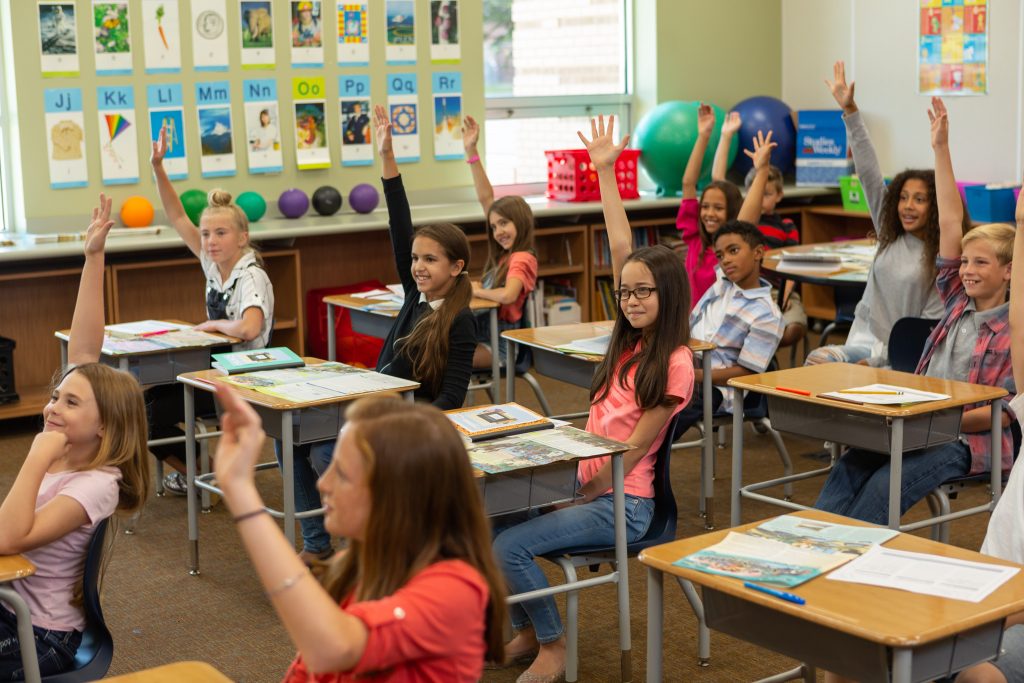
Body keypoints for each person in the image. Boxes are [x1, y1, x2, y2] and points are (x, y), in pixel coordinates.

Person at [492, 115, 695, 683]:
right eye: (625, 292)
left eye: (643, 293)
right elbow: (623, 248)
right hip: (583, 478)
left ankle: (554, 648)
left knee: (509, 546)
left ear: (668, 295)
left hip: (623, 499)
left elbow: (632, 450)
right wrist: (605, 171)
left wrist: (573, 492)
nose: (630, 300)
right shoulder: (626, 340)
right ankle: (531, 627)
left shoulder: (675, 361)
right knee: (491, 517)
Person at [813, 97, 1016, 527]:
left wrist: (935, 419)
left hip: (966, 440)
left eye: (982, 263)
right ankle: (812, 545)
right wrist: (940, 148)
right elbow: (949, 222)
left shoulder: (1013, 327)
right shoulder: (957, 301)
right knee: (852, 463)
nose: (968, 270)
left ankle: (846, 561)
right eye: (965, 262)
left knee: (888, 482)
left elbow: (1005, 412)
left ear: (1010, 271)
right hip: (920, 422)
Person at [212, 388, 506, 681]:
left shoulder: (454, 591)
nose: (322, 485)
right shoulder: (353, 564)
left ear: (394, 497)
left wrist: (242, 494)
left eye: (341, 474)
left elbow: (332, 649)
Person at [0, 195, 150, 678]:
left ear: (104, 424)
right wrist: (93, 258)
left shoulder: (96, 484)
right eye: (56, 396)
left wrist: (36, 457)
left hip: (39, 636)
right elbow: (86, 348)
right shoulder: (73, 454)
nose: (52, 407)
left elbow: (8, 538)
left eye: (70, 402)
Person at [805, 61, 970, 367]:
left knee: (837, 375)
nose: (908, 206)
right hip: (864, 340)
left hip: (904, 355)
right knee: (817, 362)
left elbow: (926, 329)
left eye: (919, 199)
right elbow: (868, 172)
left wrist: (880, 362)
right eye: (903, 197)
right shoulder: (889, 232)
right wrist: (851, 111)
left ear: (934, 207)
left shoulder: (943, 255)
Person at [151, 124, 278, 495]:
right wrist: (158, 167)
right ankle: (204, 473)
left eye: (220, 233)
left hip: (243, 377)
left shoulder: (250, 275)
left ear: (242, 237)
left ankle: (205, 477)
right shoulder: (212, 263)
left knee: (154, 416)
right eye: (206, 234)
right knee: (147, 404)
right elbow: (177, 217)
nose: (210, 241)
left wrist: (212, 324)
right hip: (215, 369)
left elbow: (250, 328)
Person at [955, 163, 1024, 683]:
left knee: (971, 668)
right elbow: (1020, 317)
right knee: (862, 650)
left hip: (1005, 605)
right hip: (995, 582)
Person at [678, 130, 785, 430]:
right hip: (689, 366)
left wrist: (762, 169)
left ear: (758, 253)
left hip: (715, 389)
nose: (725, 260)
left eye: (734, 251)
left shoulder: (766, 313)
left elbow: (746, 371)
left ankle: (637, 467)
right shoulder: (723, 281)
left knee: (662, 411)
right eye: (721, 254)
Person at [372, 103, 476, 408]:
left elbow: (452, 398)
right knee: (300, 435)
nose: (418, 267)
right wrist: (386, 157)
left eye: (430, 260)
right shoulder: (413, 295)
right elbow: (399, 220)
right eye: (415, 258)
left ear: (456, 267)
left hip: (410, 419)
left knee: (325, 448)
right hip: (381, 400)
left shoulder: (460, 320)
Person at [711, 116, 807, 349]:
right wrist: (725, 137)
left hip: (777, 291)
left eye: (768, 193)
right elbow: (718, 181)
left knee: (792, 326)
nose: (762, 198)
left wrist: (785, 294)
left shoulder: (786, 226)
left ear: (779, 195)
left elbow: (793, 266)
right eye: (758, 192)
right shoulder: (742, 220)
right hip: (744, 291)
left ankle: (764, 355)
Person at [462, 114, 538, 369]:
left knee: (443, 362)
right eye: (494, 226)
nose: (498, 231)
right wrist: (471, 151)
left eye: (504, 223)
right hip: (486, 338)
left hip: (503, 348)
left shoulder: (522, 258)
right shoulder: (507, 255)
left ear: (520, 220)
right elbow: (487, 199)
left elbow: (508, 295)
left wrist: (475, 290)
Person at [677, 103, 759, 306]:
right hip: (694, 327)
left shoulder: (734, 248)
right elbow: (688, 183)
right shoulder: (696, 238)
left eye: (719, 208)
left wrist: (762, 170)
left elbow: (719, 180)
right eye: (705, 206)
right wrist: (704, 135)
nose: (709, 213)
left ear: (731, 211)